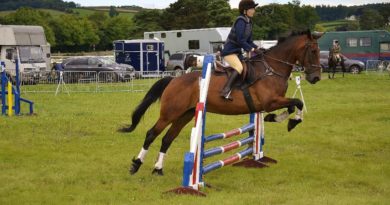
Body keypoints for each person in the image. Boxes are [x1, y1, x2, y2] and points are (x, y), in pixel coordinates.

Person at [220, 0, 259, 100]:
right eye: (252, 9)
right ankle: (225, 90)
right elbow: (240, 40)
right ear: (245, 10)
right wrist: (251, 49)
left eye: (254, 8)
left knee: (248, 66)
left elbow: (249, 40)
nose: (254, 10)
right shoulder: (240, 21)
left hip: (237, 53)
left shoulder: (249, 22)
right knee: (239, 67)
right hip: (229, 52)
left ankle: (242, 88)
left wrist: (257, 48)